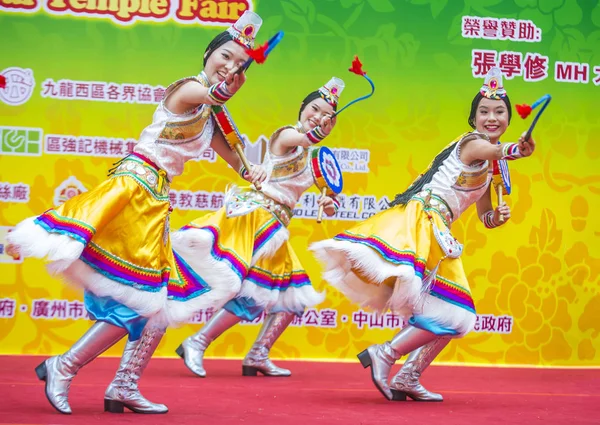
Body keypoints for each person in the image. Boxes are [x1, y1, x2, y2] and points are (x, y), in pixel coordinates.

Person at [6, 10, 267, 414]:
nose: (231, 68)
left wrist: (256, 174)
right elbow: (213, 95)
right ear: (209, 53)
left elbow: (235, 156)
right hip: (135, 188)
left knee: (156, 307)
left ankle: (123, 385)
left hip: (155, 200)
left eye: (239, 65)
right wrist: (227, 85)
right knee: (143, 301)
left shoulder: (211, 116)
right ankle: (64, 365)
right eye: (226, 58)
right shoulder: (188, 90)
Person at [310, 67, 536, 401]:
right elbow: (497, 151)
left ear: (508, 117)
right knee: (457, 314)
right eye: (484, 112)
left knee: (448, 313)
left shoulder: (490, 169)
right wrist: (516, 150)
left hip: (436, 227)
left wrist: (497, 216)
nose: (492, 117)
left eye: (499, 111)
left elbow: (484, 216)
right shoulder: (473, 144)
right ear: (473, 119)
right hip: (425, 222)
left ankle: (407, 376)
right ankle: (385, 355)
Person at [173, 78, 345, 377]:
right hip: (259, 219)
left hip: (278, 226)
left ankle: (257, 354)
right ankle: (196, 342)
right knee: (252, 294)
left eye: (325, 115)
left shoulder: (315, 160)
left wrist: (328, 203)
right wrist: (321, 130)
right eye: (314, 110)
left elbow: (327, 191)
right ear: (303, 108)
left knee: (292, 298)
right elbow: (307, 138)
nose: (317, 117)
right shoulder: (287, 136)